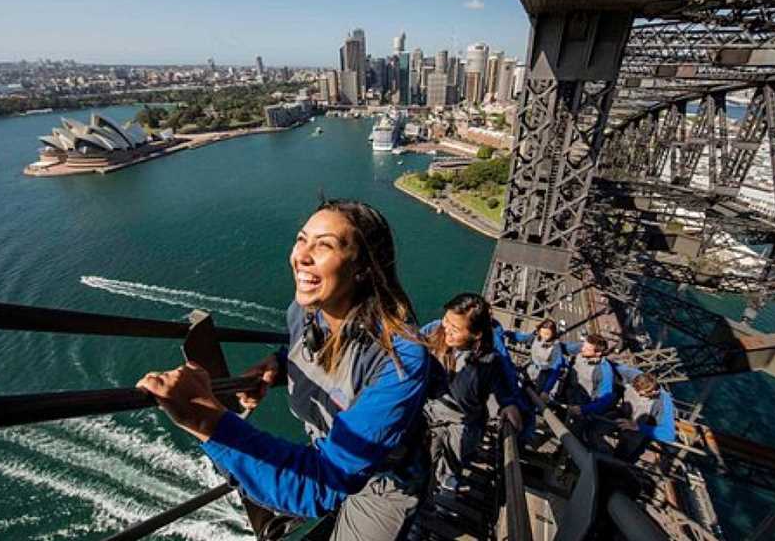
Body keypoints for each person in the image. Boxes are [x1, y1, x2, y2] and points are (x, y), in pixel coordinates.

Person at [136, 200, 430, 541]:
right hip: (330, 450)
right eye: (301, 239)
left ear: (363, 267)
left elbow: (321, 484)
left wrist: (204, 418)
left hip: (384, 482)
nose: (301, 255)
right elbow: (313, 350)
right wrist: (279, 362)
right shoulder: (305, 312)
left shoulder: (400, 359)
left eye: (325, 245)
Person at [421, 294, 521, 492]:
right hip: (430, 412)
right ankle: (428, 495)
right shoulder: (433, 331)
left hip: (462, 422)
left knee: (452, 462)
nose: (446, 328)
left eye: (455, 328)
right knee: (424, 461)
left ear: (476, 334)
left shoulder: (488, 360)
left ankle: (446, 482)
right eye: (446, 320)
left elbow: (499, 385)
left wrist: (508, 404)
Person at [612, 371, 676, 462]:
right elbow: (621, 368)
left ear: (653, 391)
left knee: (622, 457)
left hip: (638, 433)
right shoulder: (635, 379)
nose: (639, 394)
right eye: (637, 391)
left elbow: (669, 435)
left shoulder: (662, 402)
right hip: (625, 419)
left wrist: (639, 427)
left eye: (642, 394)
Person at [502, 318, 566, 400]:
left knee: (533, 399)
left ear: (553, 334)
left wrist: (546, 390)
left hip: (542, 377)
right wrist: (508, 334)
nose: (544, 337)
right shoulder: (535, 338)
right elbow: (522, 337)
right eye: (542, 333)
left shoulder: (556, 347)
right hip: (529, 371)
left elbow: (555, 371)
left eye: (547, 334)